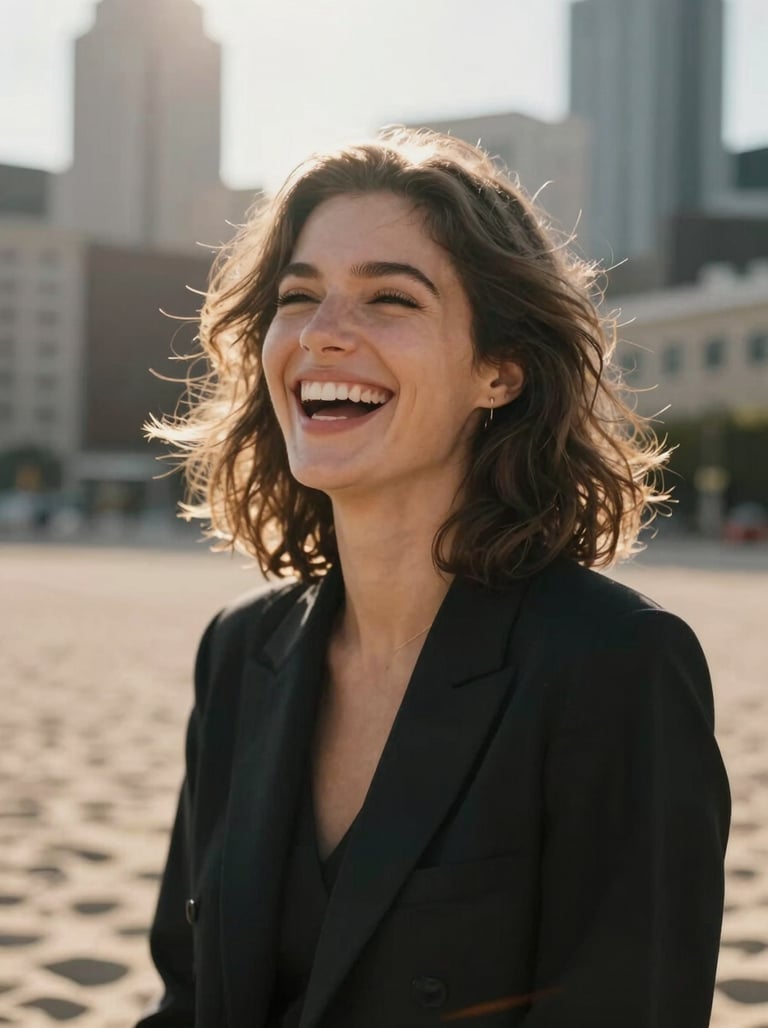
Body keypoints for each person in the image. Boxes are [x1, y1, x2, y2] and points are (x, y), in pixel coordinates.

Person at [137, 129, 730, 1028]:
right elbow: (188, 998)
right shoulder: (238, 653)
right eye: (299, 297)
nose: (324, 335)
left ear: (498, 370)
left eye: (389, 298)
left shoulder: (617, 667)